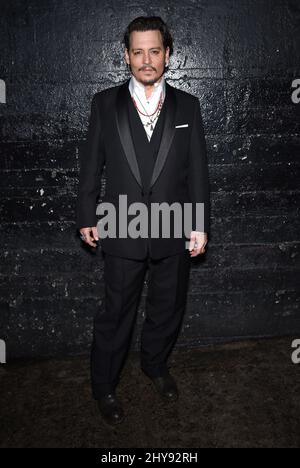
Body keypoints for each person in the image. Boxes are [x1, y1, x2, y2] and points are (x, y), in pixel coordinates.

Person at [76, 16, 210, 426]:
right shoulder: (105, 103)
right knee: (116, 312)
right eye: (138, 52)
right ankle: (104, 386)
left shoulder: (188, 105)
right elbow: (91, 165)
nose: (146, 60)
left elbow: (198, 170)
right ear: (126, 55)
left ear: (167, 54)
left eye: (155, 51)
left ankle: (154, 366)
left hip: (174, 223)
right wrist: (86, 214)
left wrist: (200, 223)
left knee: (168, 307)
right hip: (121, 222)